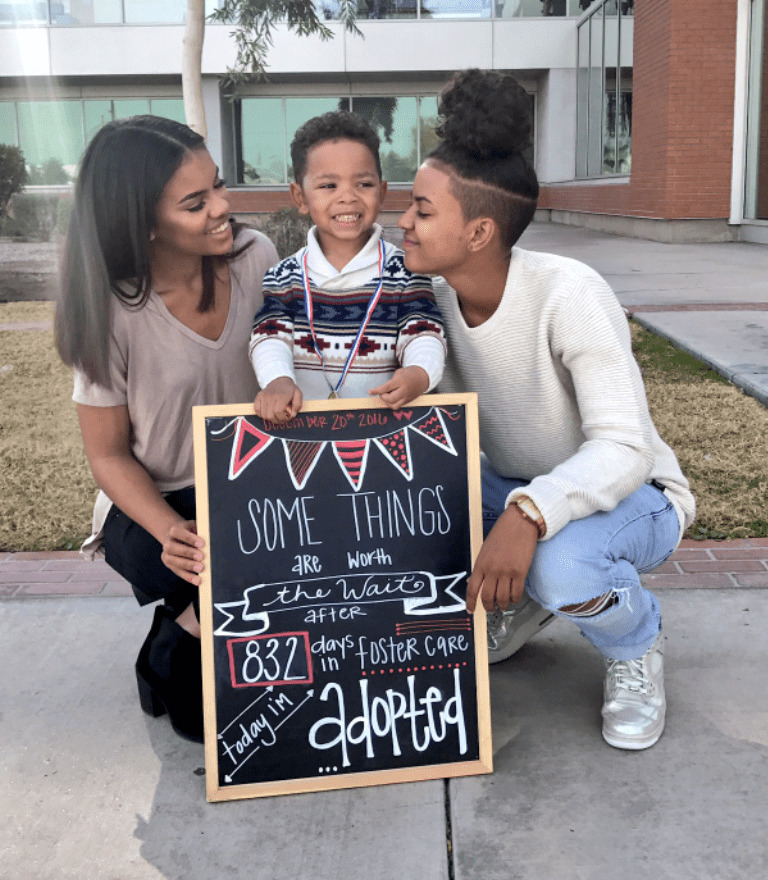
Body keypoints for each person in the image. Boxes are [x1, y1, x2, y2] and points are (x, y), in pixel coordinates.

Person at [397, 69, 695, 751]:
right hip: (512, 483)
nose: (402, 222)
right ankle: (529, 592)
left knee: (563, 568)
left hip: (634, 494)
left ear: (476, 232)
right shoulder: (428, 300)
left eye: (420, 209)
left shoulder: (569, 292)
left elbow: (625, 447)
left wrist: (528, 516)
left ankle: (635, 641)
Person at [55, 115, 278, 743]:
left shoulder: (256, 257)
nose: (223, 207)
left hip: (250, 489)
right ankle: (184, 619)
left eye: (219, 186)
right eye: (195, 201)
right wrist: (170, 531)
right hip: (158, 505)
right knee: (201, 725)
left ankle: (180, 627)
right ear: (145, 222)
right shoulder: (111, 308)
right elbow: (107, 457)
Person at [249, 111, 446, 422]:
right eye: (328, 186)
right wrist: (277, 380)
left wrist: (419, 374)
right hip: (304, 431)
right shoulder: (284, 277)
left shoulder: (405, 272)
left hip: (382, 429)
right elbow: (270, 337)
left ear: (381, 193)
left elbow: (424, 334)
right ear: (300, 197)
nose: (347, 197)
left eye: (363, 184)